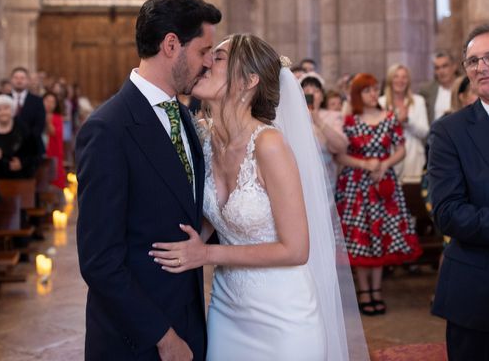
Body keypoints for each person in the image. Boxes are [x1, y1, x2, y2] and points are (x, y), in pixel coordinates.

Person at [149, 34, 367, 360]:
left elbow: (296, 249)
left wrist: (206, 255)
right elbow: (213, 216)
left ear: (248, 81)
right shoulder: (204, 139)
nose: (206, 62)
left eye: (218, 58)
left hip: (284, 316)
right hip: (227, 308)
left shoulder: (269, 145)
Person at [75, 0, 222, 360]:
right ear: (172, 44)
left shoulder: (185, 118)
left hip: (188, 318)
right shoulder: (108, 128)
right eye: (204, 51)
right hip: (138, 338)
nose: (208, 63)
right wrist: (163, 337)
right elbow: (100, 260)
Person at [429, 23, 489, 360]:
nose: (481, 67)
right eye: (473, 61)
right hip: (481, 298)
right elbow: (447, 213)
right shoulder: (449, 132)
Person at [335, 73, 422, 316]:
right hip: (356, 187)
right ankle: (364, 291)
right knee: (361, 239)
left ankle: (376, 289)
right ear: (357, 95)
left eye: (375, 89)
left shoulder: (390, 117)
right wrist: (364, 165)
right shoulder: (350, 121)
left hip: (383, 185)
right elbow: (339, 154)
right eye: (367, 90)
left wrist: (383, 165)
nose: (373, 94)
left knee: (381, 235)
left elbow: (401, 149)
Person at [379, 64, 429, 183]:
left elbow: (425, 132)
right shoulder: (380, 102)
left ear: (408, 80)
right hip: (389, 160)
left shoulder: (418, 101)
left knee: (414, 199)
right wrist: (396, 122)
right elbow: (377, 135)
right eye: (396, 77)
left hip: (414, 160)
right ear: (390, 79)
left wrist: (407, 121)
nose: (400, 81)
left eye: (404, 77)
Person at [301, 73, 348, 188]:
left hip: (326, 181)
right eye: (306, 89)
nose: (311, 93)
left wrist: (317, 120)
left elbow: (341, 146)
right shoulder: (291, 117)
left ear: (322, 96)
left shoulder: (333, 116)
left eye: (316, 90)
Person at [0, 95, 38, 179]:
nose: (2, 112)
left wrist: (22, 163)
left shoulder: (23, 128)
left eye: (6, 108)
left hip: (20, 178)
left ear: (12, 110)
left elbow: (34, 154)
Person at [11, 67, 46, 161]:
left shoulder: (37, 101)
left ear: (27, 81)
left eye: (22, 78)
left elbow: (39, 126)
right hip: (8, 151)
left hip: (31, 151)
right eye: (16, 78)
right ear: (11, 80)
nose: (19, 80)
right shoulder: (4, 99)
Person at [420, 50, 458, 125]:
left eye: (445, 66)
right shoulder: (426, 91)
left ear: (454, 67)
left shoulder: (465, 87)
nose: (441, 71)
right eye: (437, 68)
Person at [42, 92, 65, 189]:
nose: (49, 104)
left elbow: (54, 133)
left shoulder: (58, 118)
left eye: (52, 102)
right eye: (47, 101)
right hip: (41, 149)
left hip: (53, 150)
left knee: (54, 178)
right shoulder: (37, 115)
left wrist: (48, 120)